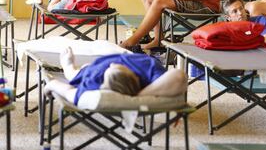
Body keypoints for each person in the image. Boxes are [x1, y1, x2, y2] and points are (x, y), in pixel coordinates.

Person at [44, 47, 187, 105]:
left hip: (94, 68)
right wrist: (139, 96)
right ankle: (70, 67)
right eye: (118, 68)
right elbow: (179, 77)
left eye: (112, 68)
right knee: (83, 69)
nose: (112, 65)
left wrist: (51, 85)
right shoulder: (149, 71)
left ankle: (68, 65)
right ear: (136, 78)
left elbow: (69, 91)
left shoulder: (95, 82)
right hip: (120, 58)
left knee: (74, 73)